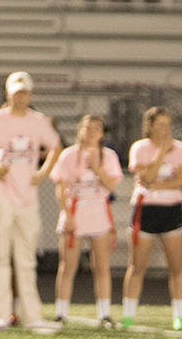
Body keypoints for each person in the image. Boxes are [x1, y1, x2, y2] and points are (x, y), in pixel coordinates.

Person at [0, 72, 61, 328]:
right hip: (1, 195)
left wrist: (44, 173)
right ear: (8, 94)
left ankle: (32, 315)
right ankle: (2, 314)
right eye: (17, 93)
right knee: (0, 257)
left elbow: (55, 146)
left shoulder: (38, 121)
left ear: (31, 94)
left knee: (26, 259)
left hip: (28, 197)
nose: (21, 97)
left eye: (25, 93)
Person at [39, 114, 121, 328]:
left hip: (98, 213)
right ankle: (61, 312)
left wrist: (97, 169)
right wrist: (67, 215)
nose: (91, 132)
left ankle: (104, 313)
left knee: (101, 266)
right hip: (75, 213)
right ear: (80, 130)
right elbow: (61, 187)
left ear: (102, 133)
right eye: (87, 128)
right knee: (67, 266)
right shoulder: (68, 155)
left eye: (96, 128)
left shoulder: (108, 156)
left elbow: (111, 186)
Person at [123, 106, 182, 328]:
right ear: (150, 126)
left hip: (171, 209)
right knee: (137, 265)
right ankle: (128, 314)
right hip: (145, 209)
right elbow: (146, 178)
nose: (165, 129)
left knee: (177, 266)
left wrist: (157, 184)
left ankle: (179, 316)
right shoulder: (140, 147)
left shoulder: (180, 148)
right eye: (160, 125)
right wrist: (161, 151)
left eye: (168, 125)